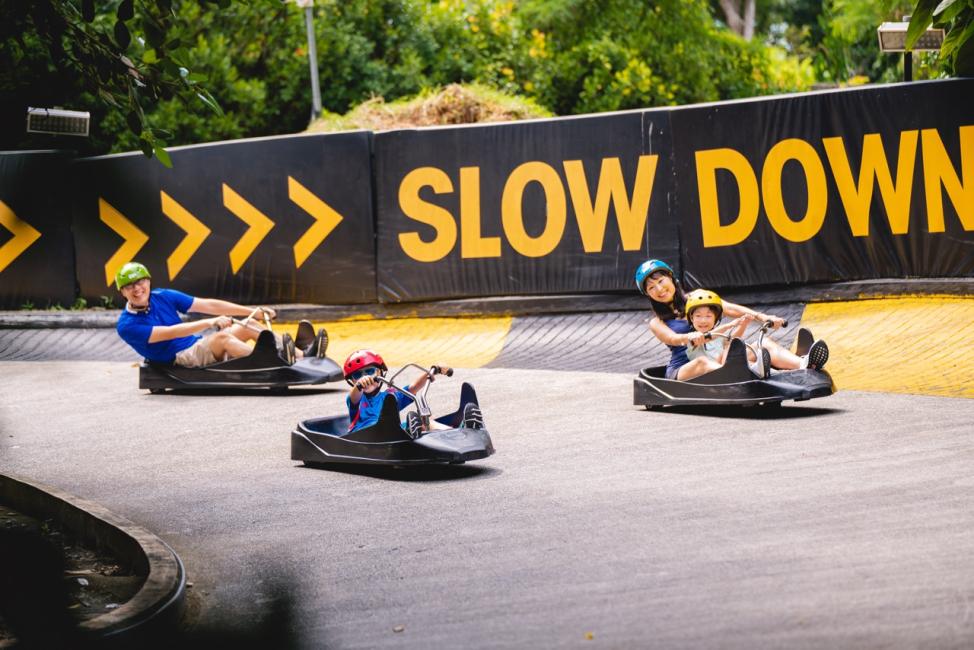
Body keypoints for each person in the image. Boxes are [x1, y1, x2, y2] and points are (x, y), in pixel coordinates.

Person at [635, 259, 828, 381]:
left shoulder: (696, 298)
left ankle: (804, 365)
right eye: (651, 288)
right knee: (701, 361)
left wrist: (763, 317)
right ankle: (749, 372)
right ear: (648, 294)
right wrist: (691, 337)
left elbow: (731, 309)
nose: (659, 289)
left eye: (661, 281)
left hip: (716, 358)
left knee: (764, 344)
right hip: (685, 369)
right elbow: (672, 339)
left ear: (671, 278)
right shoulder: (656, 322)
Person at [114, 261, 299, 367]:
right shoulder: (126, 325)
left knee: (247, 325)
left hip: (196, 345)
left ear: (148, 281)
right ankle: (276, 363)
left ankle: (302, 355)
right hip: (179, 357)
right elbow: (172, 332)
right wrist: (210, 323)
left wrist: (253, 312)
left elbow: (209, 305)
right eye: (130, 286)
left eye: (140, 282)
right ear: (122, 292)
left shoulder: (162, 296)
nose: (137, 289)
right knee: (222, 339)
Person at [344, 349, 474, 436]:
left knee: (426, 420)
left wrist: (433, 370)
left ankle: (457, 433)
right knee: (414, 423)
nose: (364, 377)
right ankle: (416, 432)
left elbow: (413, 387)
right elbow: (354, 396)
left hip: (389, 435)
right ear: (353, 380)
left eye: (369, 371)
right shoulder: (357, 399)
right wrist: (359, 386)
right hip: (365, 437)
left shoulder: (390, 396)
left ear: (380, 372)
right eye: (357, 375)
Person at [684, 289, 754, 371]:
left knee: (732, 345)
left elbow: (732, 340)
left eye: (708, 316)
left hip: (727, 369)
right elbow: (706, 337)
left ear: (715, 318)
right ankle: (752, 367)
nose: (703, 321)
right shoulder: (692, 337)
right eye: (698, 316)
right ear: (692, 319)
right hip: (710, 375)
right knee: (729, 349)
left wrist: (743, 324)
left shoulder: (718, 337)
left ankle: (757, 367)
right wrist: (730, 325)